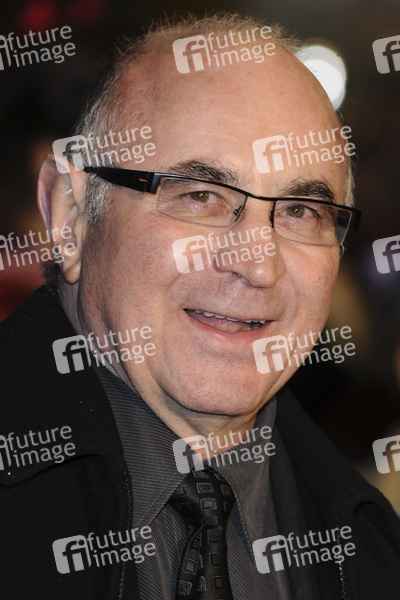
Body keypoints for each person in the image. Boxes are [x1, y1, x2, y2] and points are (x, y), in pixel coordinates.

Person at [1, 13, 399, 600]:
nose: (258, 265)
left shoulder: (372, 549)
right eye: (200, 196)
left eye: (300, 212)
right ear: (71, 215)